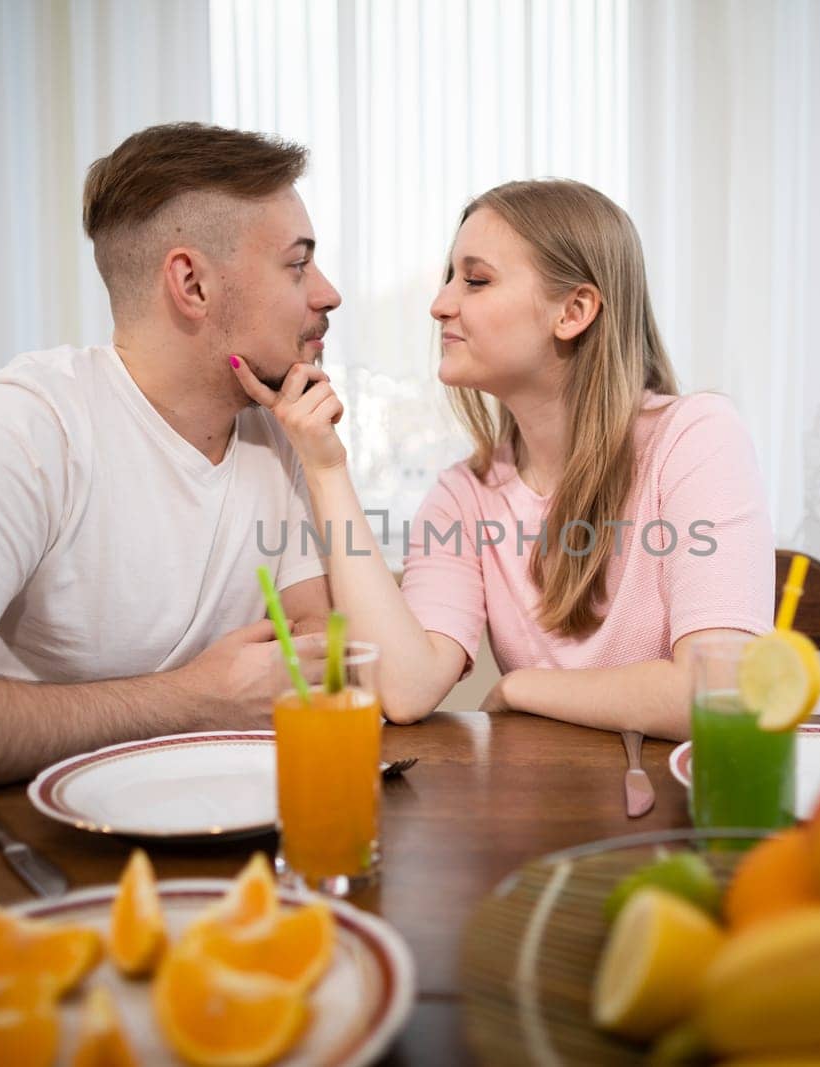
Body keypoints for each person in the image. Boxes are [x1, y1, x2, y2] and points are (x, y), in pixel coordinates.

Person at [0, 123, 340, 807]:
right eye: (297, 264)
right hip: (9, 866)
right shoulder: (18, 428)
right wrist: (190, 701)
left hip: (212, 837)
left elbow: (316, 643)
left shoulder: (275, 436)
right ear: (192, 283)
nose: (328, 292)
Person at [231, 178, 775, 740]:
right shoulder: (463, 496)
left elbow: (721, 695)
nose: (440, 305)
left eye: (476, 280)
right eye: (449, 279)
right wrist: (325, 469)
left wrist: (522, 687)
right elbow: (405, 687)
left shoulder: (695, 437)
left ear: (574, 311)